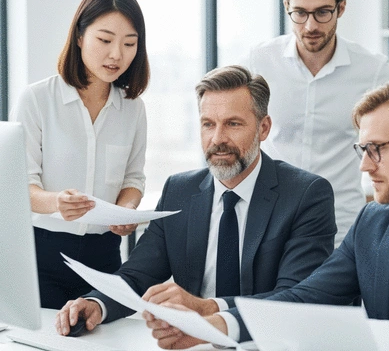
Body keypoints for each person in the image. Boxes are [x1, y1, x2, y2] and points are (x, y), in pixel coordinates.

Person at [55, 65, 336, 336]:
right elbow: (137, 276)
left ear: (263, 128)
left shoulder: (306, 195)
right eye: (208, 124)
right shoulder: (180, 190)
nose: (217, 139)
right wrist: (96, 304)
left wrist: (208, 309)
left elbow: (294, 298)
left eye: (233, 124)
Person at [144, 80, 389, 348]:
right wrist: (211, 326)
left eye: (376, 148)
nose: (364, 166)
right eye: (362, 150)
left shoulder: (308, 194)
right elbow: (304, 300)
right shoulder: (373, 224)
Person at [10, 0, 150, 309]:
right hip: (43, 254)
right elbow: (19, 187)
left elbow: (134, 179)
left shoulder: (134, 109)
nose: (117, 54)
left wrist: (127, 209)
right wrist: (57, 202)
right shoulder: (36, 100)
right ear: (79, 36)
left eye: (129, 43)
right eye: (105, 40)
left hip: (105, 256)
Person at [249, 0, 389, 246]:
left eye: (322, 13)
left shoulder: (373, 69)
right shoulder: (261, 61)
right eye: (300, 13)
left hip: (342, 227)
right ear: (287, 8)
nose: (310, 26)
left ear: (341, 8)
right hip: (272, 224)